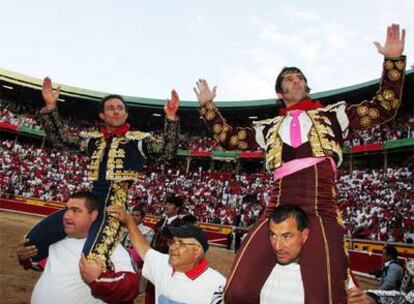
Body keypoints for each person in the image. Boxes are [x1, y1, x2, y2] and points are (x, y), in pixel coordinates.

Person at [194, 24, 406, 303]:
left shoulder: (334, 116)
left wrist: (392, 61)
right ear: (279, 93)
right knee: (237, 292)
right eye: (289, 79)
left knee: (325, 296)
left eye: (300, 78)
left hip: (321, 210)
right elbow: (229, 138)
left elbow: (384, 107)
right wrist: (208, 108)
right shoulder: (267, 128)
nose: (296, 81)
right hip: (276, 209)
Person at [27, 79, 180, 268]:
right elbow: (62, 140)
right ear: (102, 114)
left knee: (94, 258)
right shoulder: (92, 140)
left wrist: (171, 119)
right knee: (31, 242)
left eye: (120, 108)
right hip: (87, 204)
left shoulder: (138, 141)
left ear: (125, 114)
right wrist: (51, 106)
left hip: (115, 210)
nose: (116, 111)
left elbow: (167, 152)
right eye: (110, 108)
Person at [16, 191, 139, 304]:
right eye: (67, 209)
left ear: (93, 216)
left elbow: (131, 286)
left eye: (76, 211)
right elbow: (42, 265)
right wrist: (25, 258)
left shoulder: (110, 247)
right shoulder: (56, 242)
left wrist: (97, 280)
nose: (66, 216)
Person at [107, 205, 226, 304]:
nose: (173, 247)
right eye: (173, 242)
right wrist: (129, 222)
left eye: (180, 243)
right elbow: (143, 247)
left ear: (196, 251)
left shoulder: (218, 285)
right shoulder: (163, 264)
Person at [122, 206, 155, 293]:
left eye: (137, 215)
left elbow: (146, 249)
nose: (134, 217)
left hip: (137, 264)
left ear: (143, 218)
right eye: (132, 215)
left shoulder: (148, 231)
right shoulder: (124, 229)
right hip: (124, 261)